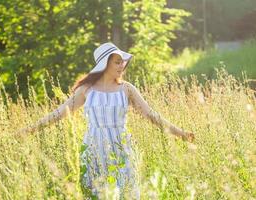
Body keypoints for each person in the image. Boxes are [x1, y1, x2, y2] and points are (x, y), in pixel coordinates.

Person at [17, 42, 195, 199]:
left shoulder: (126, 89)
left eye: (122, 62)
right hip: (94, 150)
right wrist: (30, 129)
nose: (122, 65)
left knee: (127, 193)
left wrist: (181, 134)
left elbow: (152, 115)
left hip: (122, 149)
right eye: (117, 62)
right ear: (105, 64)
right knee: (97, 194)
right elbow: (58, 113)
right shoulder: (86, 90)